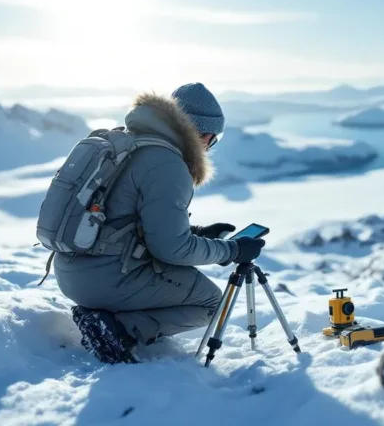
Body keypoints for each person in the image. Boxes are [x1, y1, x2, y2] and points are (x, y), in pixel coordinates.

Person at [53, 83, 266, 364]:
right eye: (213, 139)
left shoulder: (126, 141)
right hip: (104, 279)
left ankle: (107, 316)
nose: (210, 146)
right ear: (202, 133)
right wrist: (232, 251)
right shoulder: (167, 164)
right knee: (214, 303)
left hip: (71, 269)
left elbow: (125, 220)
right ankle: (116, 330)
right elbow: (172, 250)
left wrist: (197, 234)